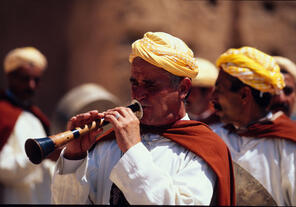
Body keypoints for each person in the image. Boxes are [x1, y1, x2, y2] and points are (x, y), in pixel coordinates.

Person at [51, 32, 235, 205]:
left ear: (183, 89)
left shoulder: (204, 148)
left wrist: (132, 150)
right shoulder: (108, 144)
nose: (139, 94)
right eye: (134, 83)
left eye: (150, 85)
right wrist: (74, 158)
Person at [211, 46, 296, 206]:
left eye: (220, 90)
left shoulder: (288, 145)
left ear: (244, 95)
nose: (213, 96)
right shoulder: (215, 137)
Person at [0, 47, 56, 204]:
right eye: (25, 79)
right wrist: (40, 154)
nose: (31, 86)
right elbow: (3, 168)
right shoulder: (2, 114)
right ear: (11, 77)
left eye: (36, 80)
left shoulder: (35, 115)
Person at [186, 57, 220, 125]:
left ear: (209, 92)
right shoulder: (175, 122)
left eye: (190, 91)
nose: (185, 96)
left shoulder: (224, 125)